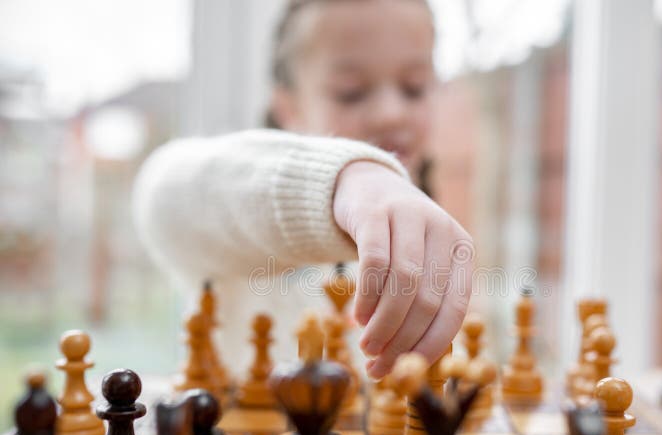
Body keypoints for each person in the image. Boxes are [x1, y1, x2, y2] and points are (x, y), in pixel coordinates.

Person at [132, 0, 473, 380]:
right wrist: (346, 178)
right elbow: (162, 191)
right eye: (351, 92)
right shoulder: (241, 228)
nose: (392, 112)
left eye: (414, 88)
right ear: (287, 108)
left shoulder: (439, 246)